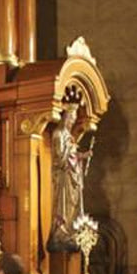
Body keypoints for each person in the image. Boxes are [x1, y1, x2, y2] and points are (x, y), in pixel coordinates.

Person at [47, 104, 92, 252]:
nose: (72, 121)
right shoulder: (58, 134)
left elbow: (72, 154)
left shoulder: (69, 136)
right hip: (64, 176)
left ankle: (70, 232)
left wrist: (82, 156)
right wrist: (77, 156)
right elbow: (60, 158)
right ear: (65, 117)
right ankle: (61, 233)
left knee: (73, 205)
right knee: (63, 205)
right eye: (71, 117)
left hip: (73, 176)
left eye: (74, 118)